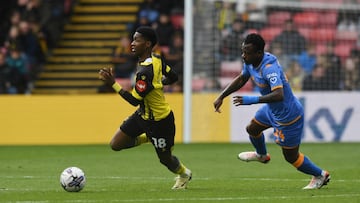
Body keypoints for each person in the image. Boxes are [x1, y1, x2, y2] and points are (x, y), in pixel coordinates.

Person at [213, 33, 330, 189]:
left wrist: (251, 100)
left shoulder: (269, 68)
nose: (243, 56)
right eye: (243, 51)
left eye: (247, 52)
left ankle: (320, 175)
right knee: (252, 129)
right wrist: (222, 96)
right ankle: (262, 155)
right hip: (271, 110)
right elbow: (242, 78)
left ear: (259, 53)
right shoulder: (250, 62)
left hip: (288, 116)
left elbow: (279, 94)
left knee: (291, 157)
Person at [98, 26, 192, 189]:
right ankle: (148, 138)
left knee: (166, 160)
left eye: (137, 40)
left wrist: (113, 84)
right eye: (133, 39)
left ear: (147, 44)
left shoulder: (145, 72)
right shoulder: (156, 60)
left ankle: (184, 173)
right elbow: (173, 76)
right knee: (116, 144)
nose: (132, 43)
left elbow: (134, 99)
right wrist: (159, 84)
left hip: (160, 121)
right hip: (142, 115)